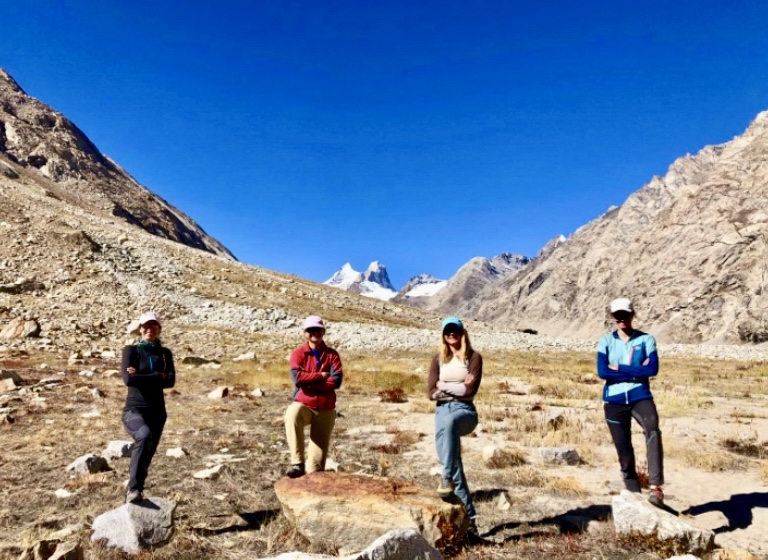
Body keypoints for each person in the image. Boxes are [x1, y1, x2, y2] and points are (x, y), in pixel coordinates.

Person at [597, 297, 665, 507]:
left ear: (632, 314)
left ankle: (656, 487)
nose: (621, 319)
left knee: (652, 430)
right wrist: (637, 371)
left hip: (640, 396)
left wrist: (619, 369)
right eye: (617, 315)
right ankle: (633, 491)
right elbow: (602, 371)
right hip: (614, 400)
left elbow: (652, 369)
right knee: (623, 448)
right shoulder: (606, 341)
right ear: (612, 317)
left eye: (625, 314)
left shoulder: (646, 340)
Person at [427, 316, 482, 533]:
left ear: (462, 333)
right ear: (443, 335)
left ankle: (445, 476)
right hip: (441, 411)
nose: (452, 335)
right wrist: (455, 385)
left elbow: (469, 391)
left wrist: (444, 385)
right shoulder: (437, 359)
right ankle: (470, 523)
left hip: (464, 411)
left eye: (455, 331)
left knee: (449, 464)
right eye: (448, 331)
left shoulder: (473, 357)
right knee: (454, 463)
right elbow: (431, 392)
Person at [121, 311, 175, 504]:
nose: (149, 329)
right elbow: (129, 379)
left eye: (153, 326)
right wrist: (156, 377)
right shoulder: (131, 351)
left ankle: (136, 489)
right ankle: (133, 490)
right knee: (143, 437)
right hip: (134, 410)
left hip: (158, 412)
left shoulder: (164, 353)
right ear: (140, 328)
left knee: (148, 453)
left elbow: (170, 381)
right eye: (145, 325)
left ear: (159, 328)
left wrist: (142, 377)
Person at [285, 315, 343, 478]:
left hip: (326, 408)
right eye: (310, 330)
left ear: (323, 331)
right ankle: (297, 463)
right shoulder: (298, 354)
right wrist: (321, 375)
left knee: (315, 470)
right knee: (292, 413)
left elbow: (336, 381)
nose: (314, 333)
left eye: (317, 329)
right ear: (305, 333)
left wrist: (309, 382)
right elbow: (297, 378)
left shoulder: (332, 355)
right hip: (305, 403)